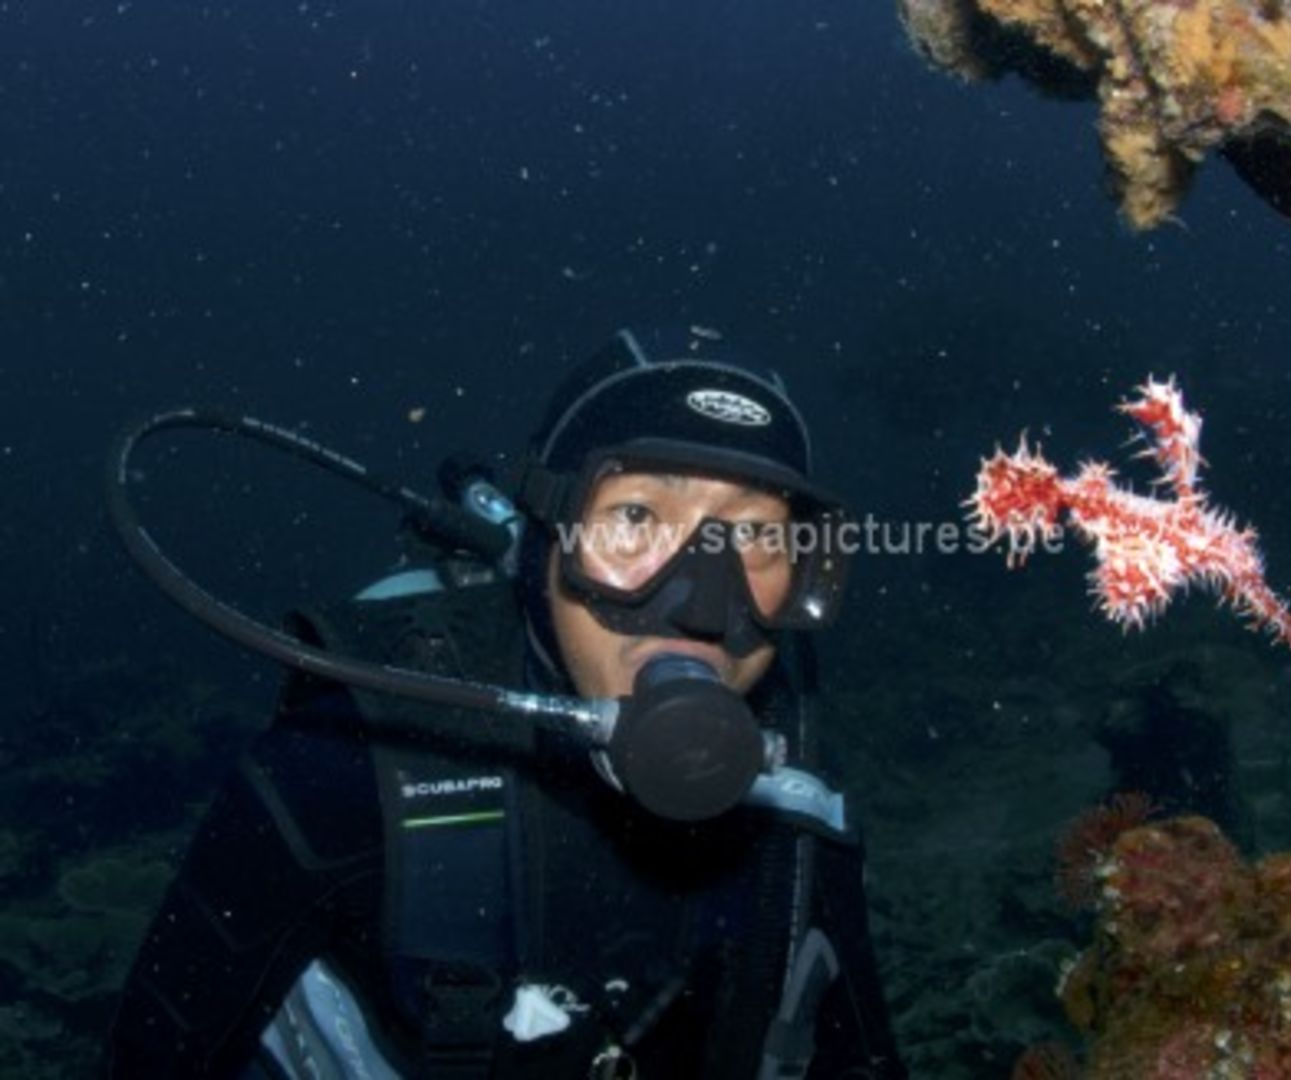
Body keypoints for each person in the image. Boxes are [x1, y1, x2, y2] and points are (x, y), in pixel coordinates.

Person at [106, 326, 905, 1078]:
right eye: (634, 516)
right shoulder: (349, 762)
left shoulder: (795, 797)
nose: (699, 602)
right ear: (547, 533)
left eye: (758, 538)